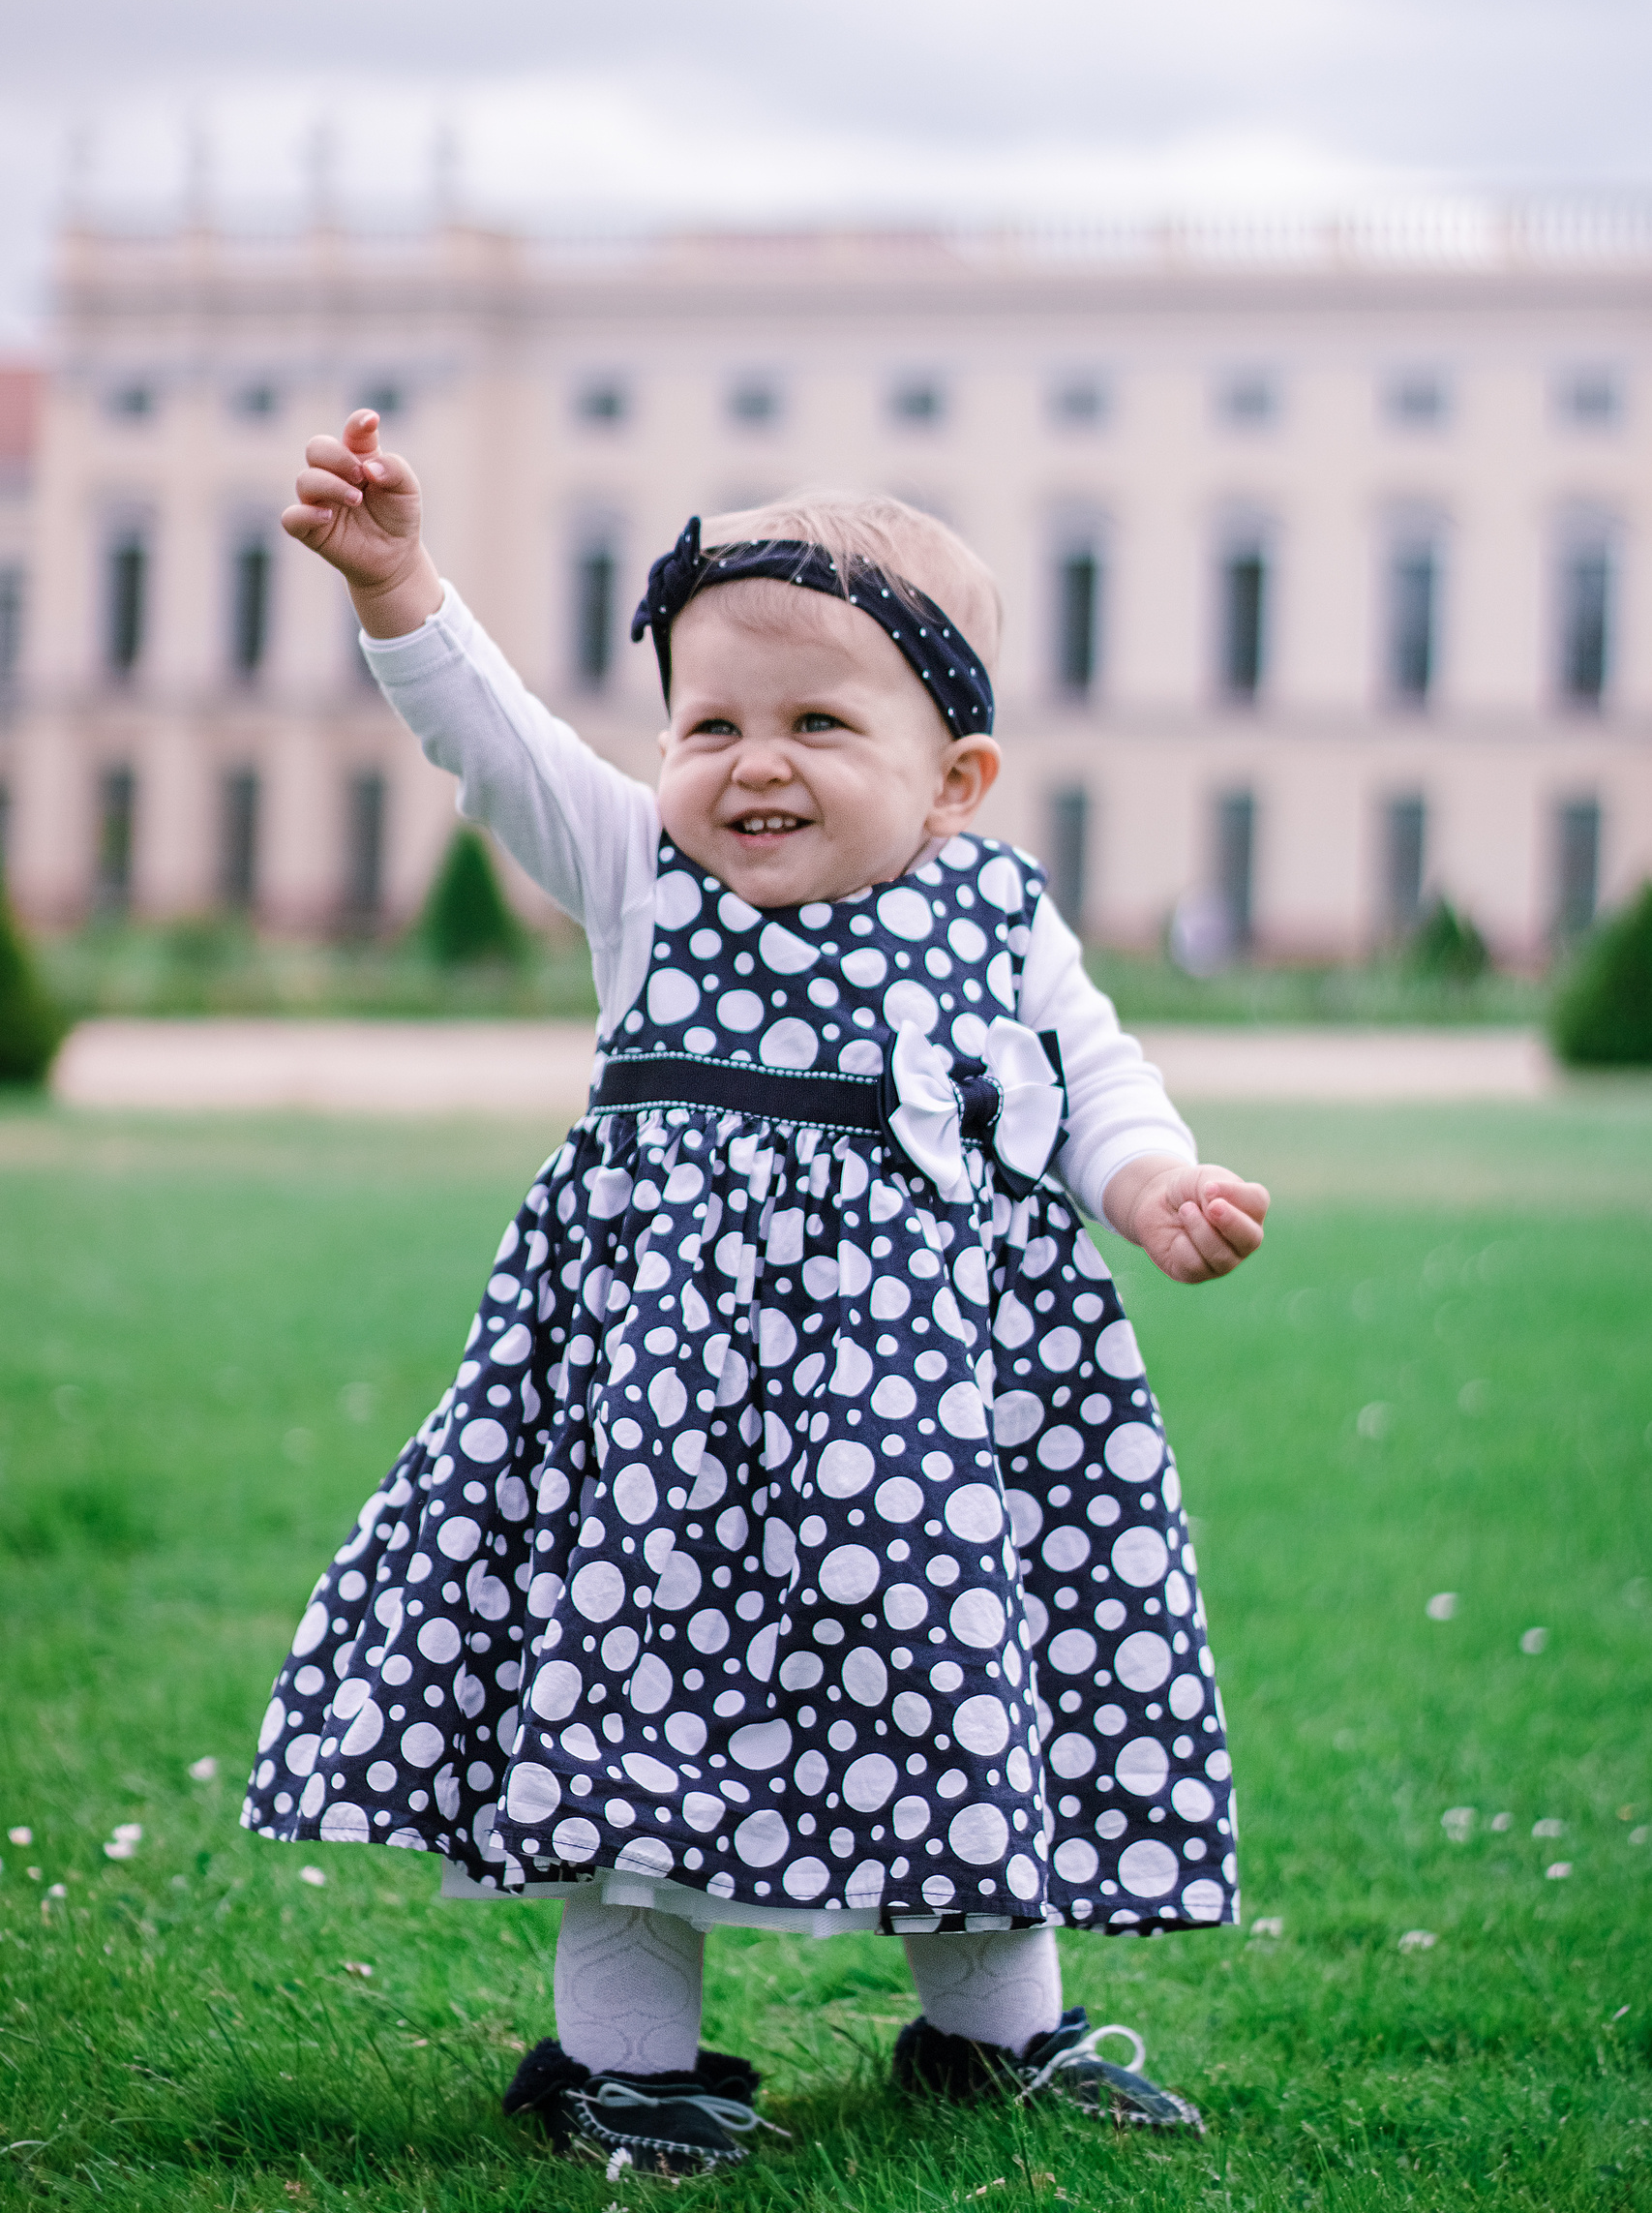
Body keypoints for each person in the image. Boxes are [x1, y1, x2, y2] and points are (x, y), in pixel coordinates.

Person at [244, 410, 1270, 2172]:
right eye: (710, 724)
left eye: (818, 725)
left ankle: (992, 2036)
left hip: (932, 1426)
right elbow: (491, 742)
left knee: (954, 1684)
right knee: (639, 1694)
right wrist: (400, 585)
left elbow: (1095, 1080)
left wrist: (1152, 1181)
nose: (753, 766)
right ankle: (622, 2061)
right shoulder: (642, 876)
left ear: (955, 779)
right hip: (670, 1422)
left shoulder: (1000, 918)